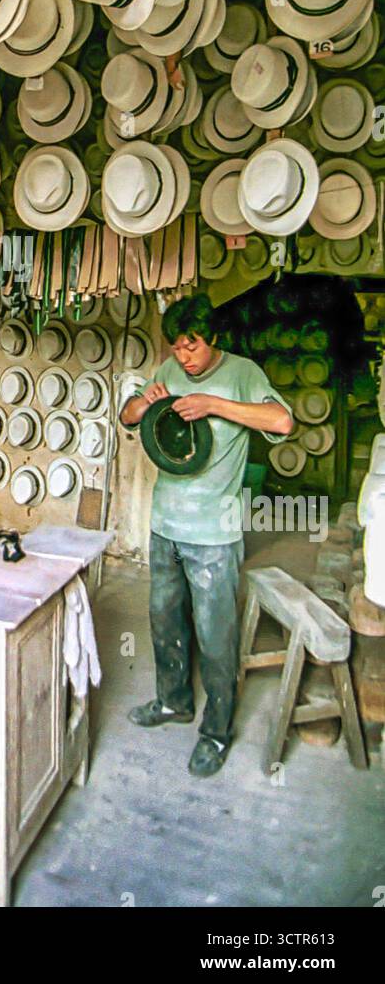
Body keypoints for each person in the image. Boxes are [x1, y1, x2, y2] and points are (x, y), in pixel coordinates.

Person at [119, 293, 293, 777]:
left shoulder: (243, 373)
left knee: (217, 637)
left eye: (191, 347)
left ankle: (216, 731)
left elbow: (282, 421)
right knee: (163, 620)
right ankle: (173, 701)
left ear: (212, 339)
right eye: (176, 348)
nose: (183, 357)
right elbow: (128, 417)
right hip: (165, 525)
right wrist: (142, 402)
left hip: (214, 532)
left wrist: (215, 404)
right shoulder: (169, 370)